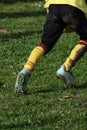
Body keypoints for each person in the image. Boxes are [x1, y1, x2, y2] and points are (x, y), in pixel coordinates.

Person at [15, 0, 87, 94]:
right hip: (73, 7)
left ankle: (26, 70)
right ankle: (65, 68)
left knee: (45, 44)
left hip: (54, 8)